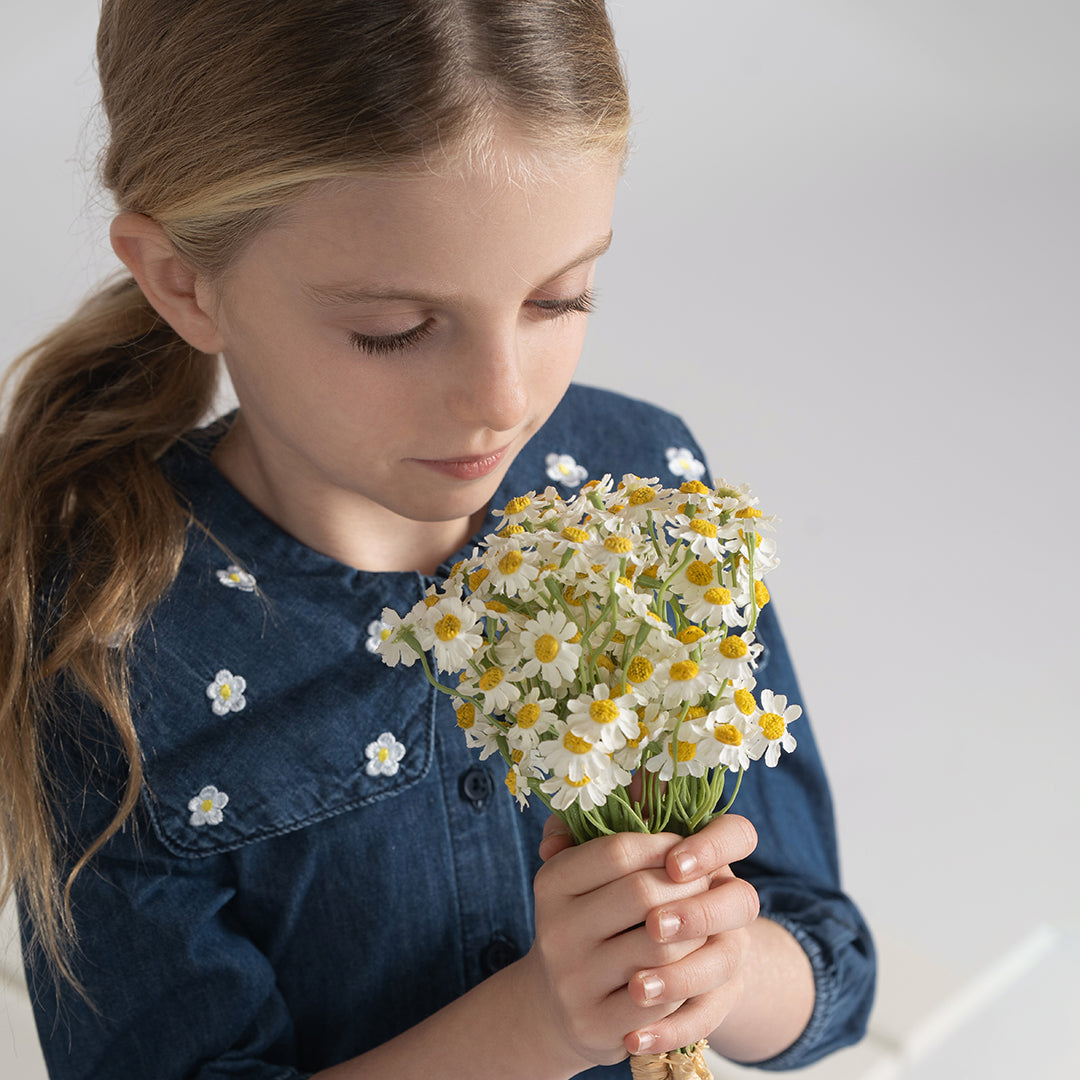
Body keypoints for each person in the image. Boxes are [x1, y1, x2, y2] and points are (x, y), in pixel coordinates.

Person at [0, 2, 875, 1077]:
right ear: (183, 280)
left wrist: (726, 972)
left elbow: (828, 961)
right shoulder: (105, 642)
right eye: (395, 331)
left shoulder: (645, 499)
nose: (501, 402)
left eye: (559, 299)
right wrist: (541, 1024)